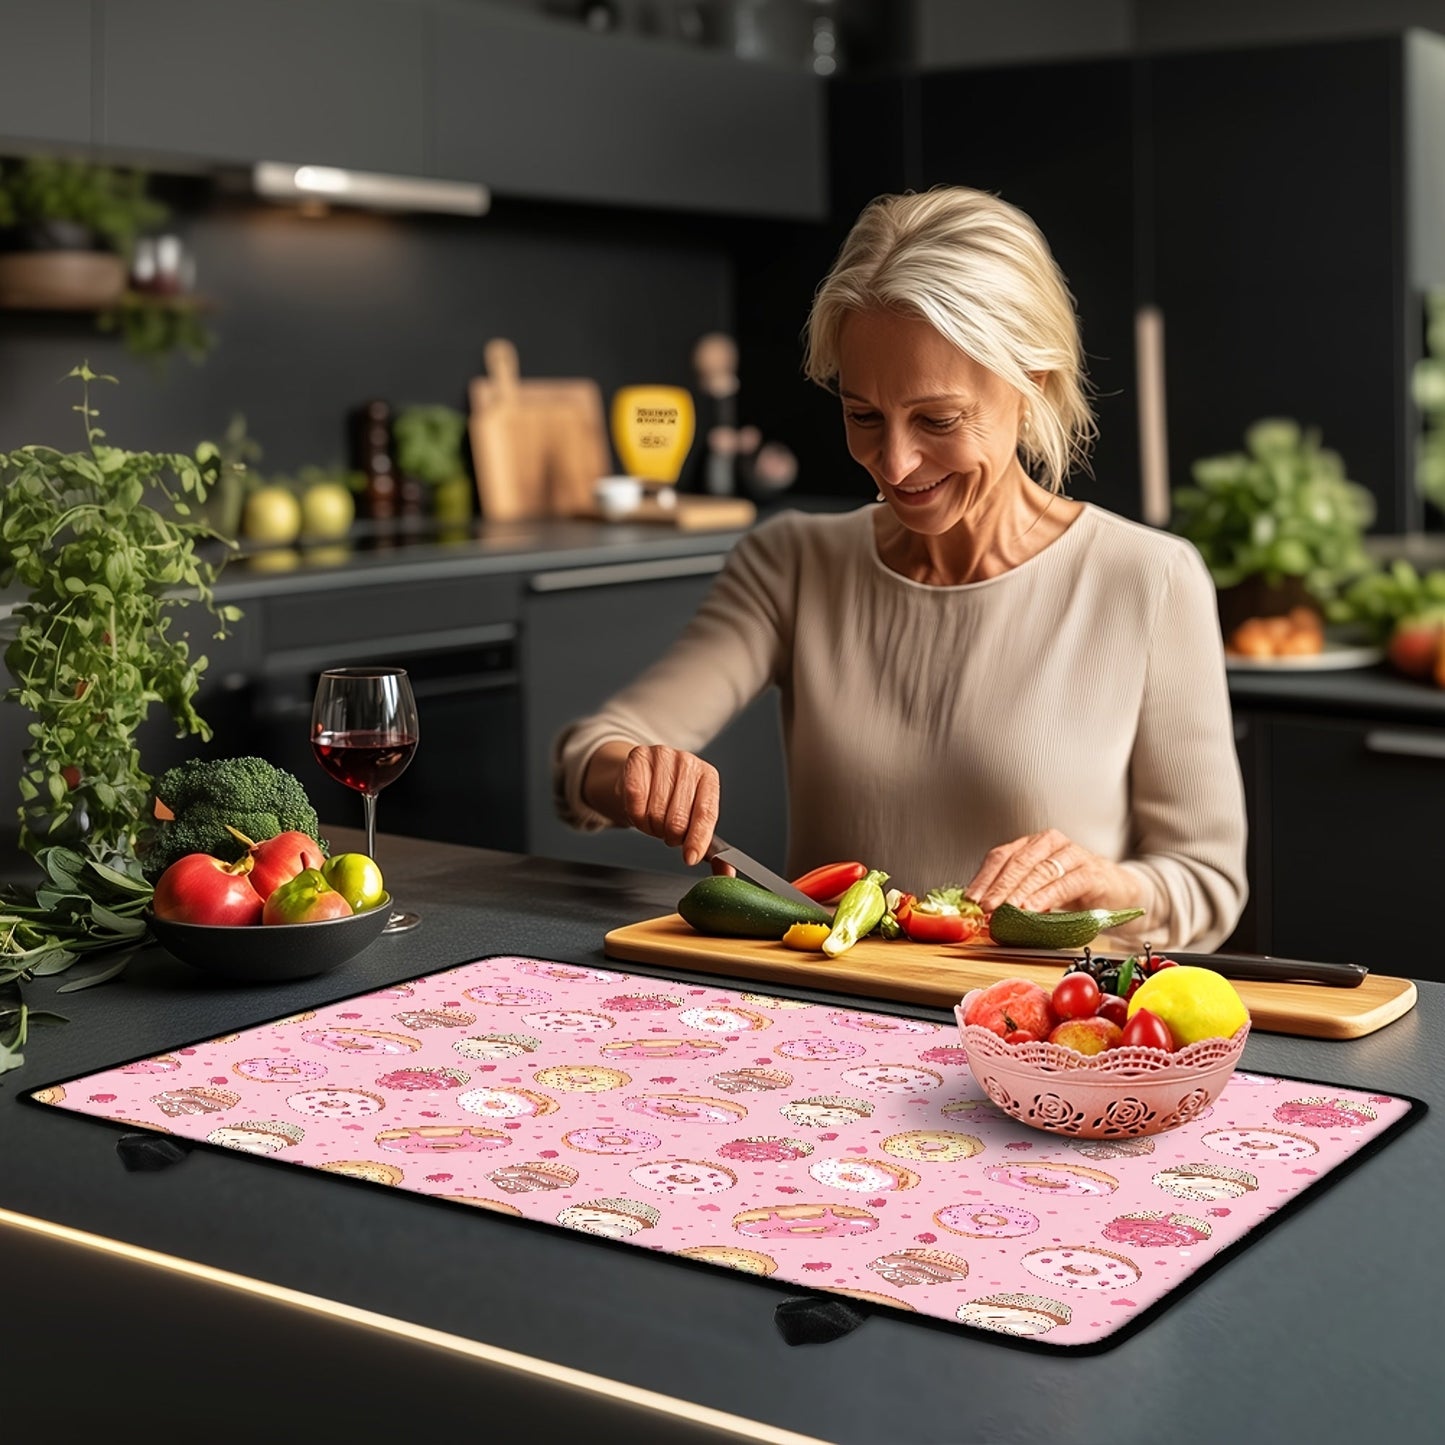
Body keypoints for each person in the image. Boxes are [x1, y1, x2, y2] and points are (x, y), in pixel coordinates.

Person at [553, 187, 1247, 951]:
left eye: (937, 420)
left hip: (1037, 1033)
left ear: (1032, 388)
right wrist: (634, 774)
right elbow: (591, 753)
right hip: (824, 1029)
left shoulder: (1148, 581)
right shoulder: (794, 562)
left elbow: (1208, 884)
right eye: (862, 416)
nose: (893, 462)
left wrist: (1113, 886)